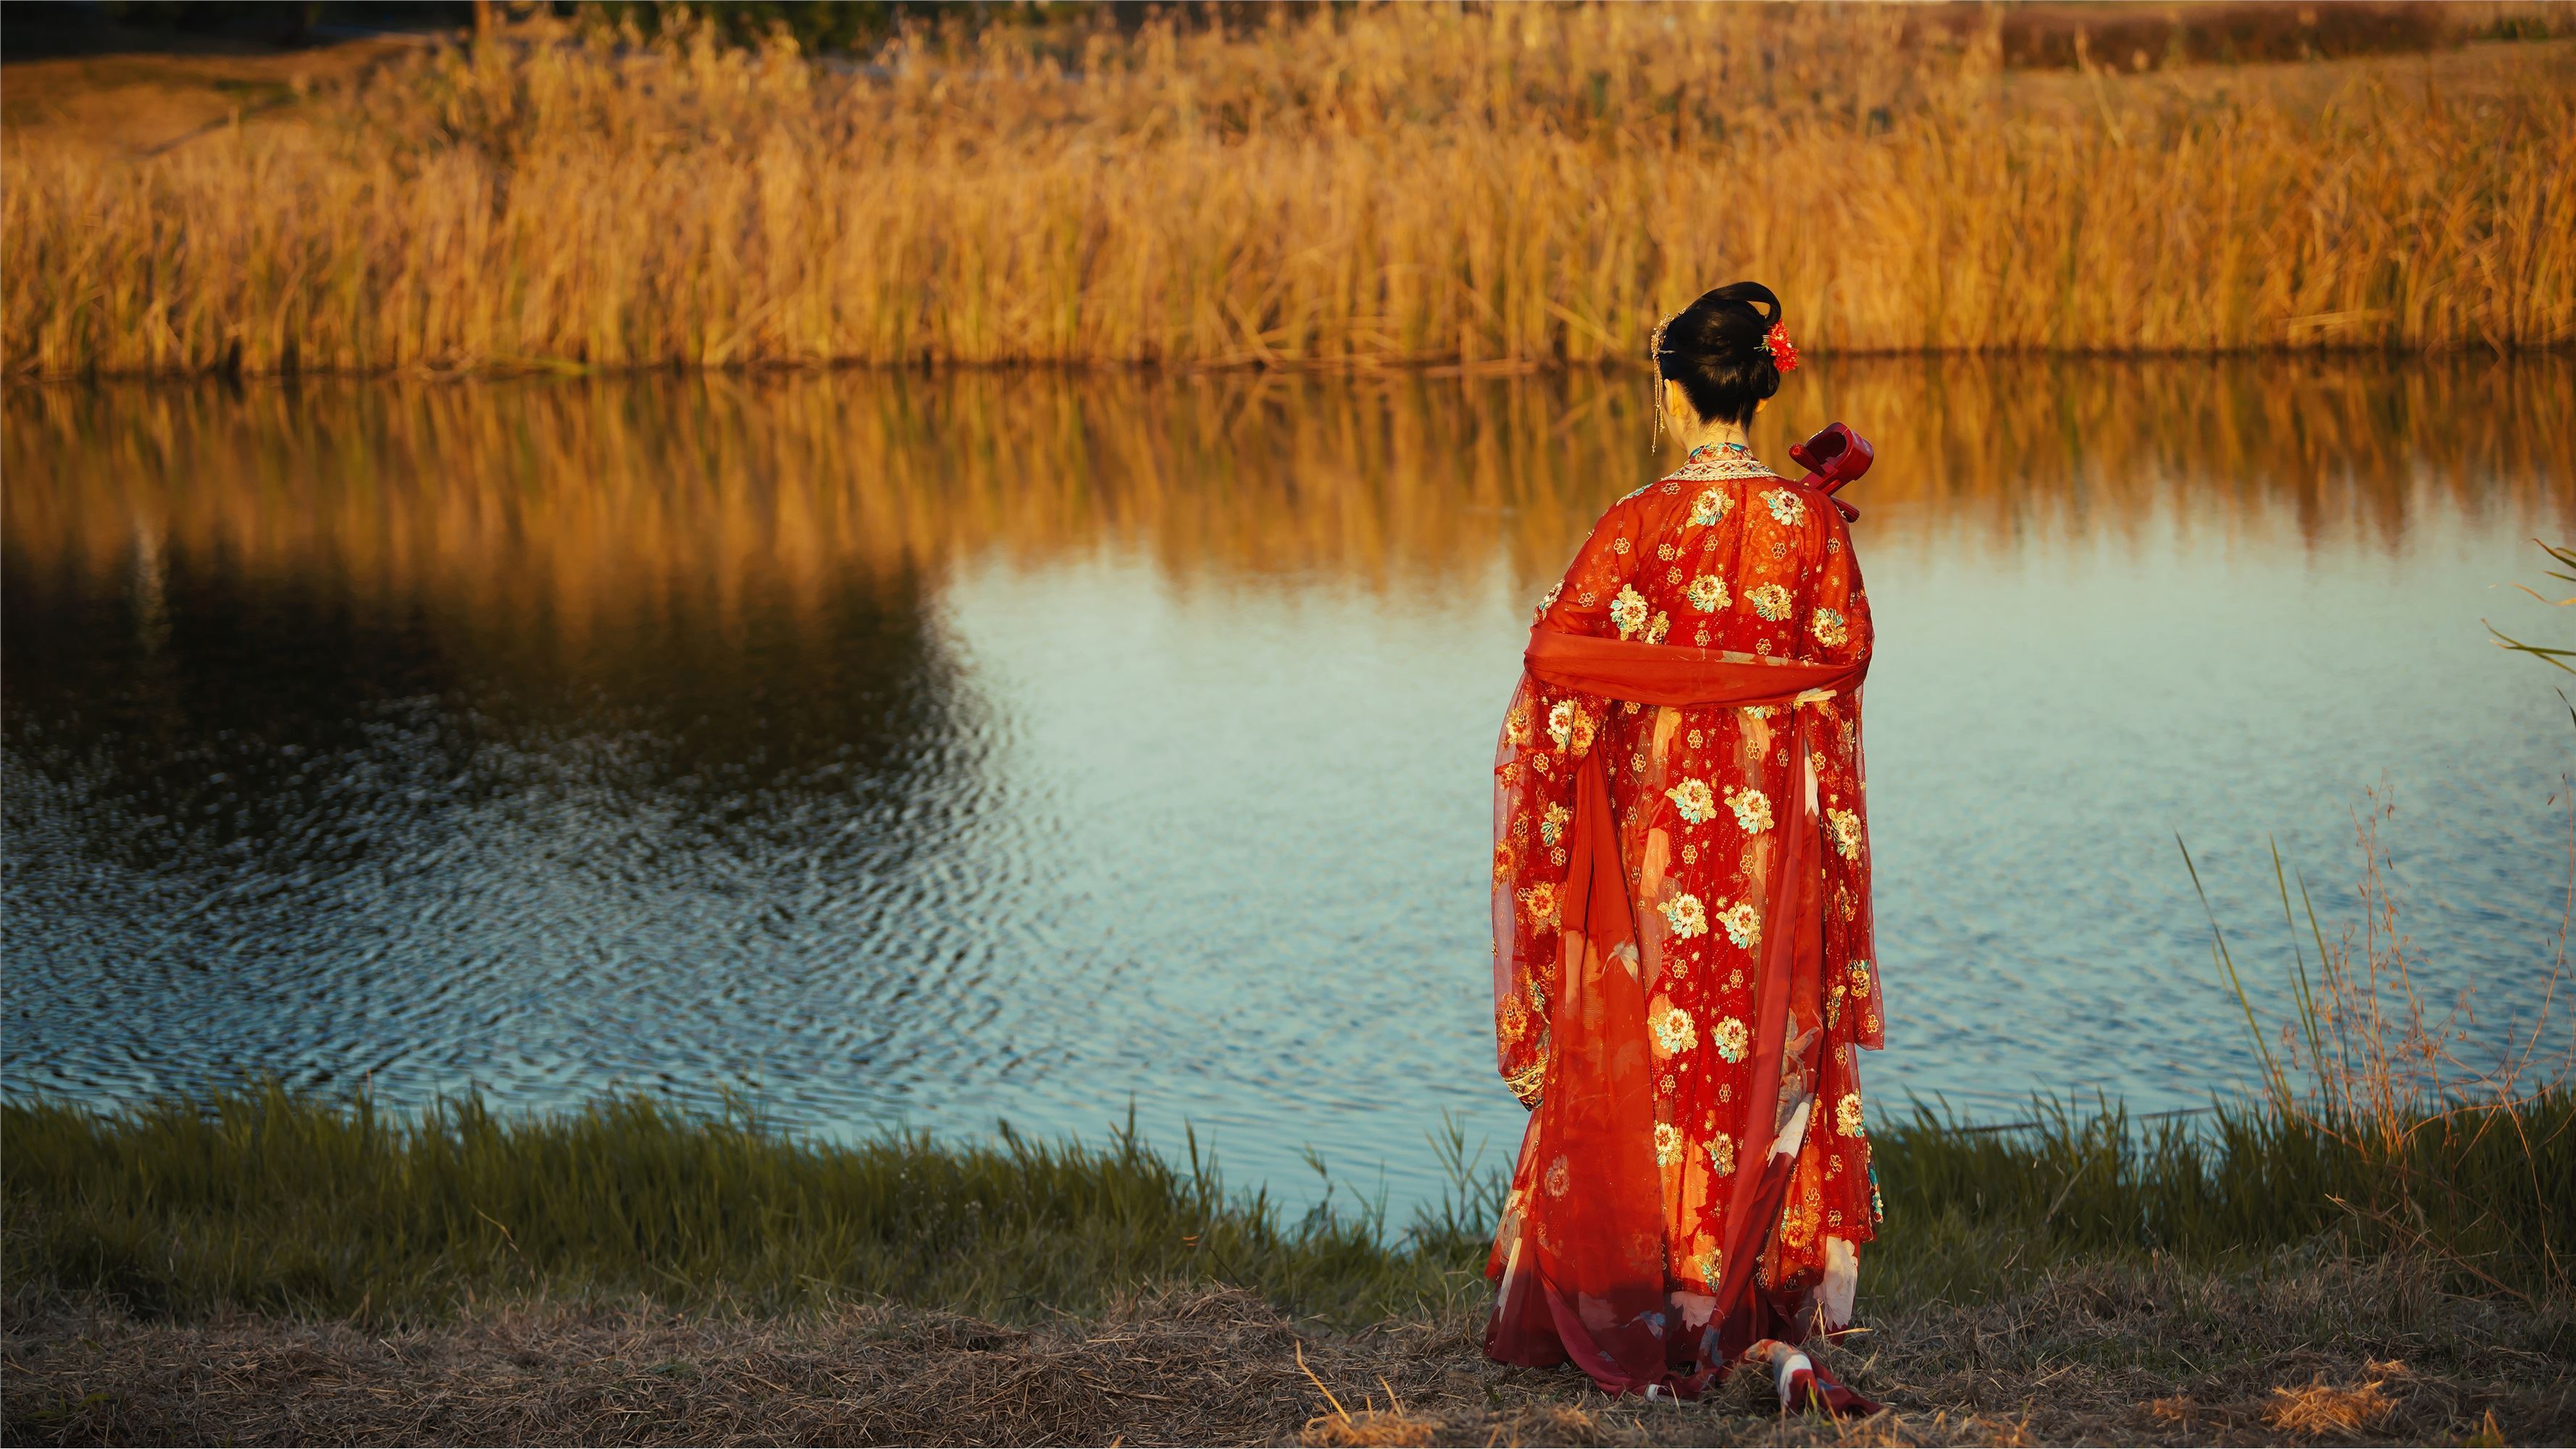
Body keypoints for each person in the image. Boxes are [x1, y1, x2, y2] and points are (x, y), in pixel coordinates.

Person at [1483, 282, 1883, 1409]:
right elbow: (1838, 674)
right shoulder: (1812, 525)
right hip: (1775, 851)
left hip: (1659, 839)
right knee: (1761, 1044)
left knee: (1660, 1049)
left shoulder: (1636, 523)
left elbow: (1558, 666)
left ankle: (1662, 1303)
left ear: (1670, 391)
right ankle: (1752, 1312)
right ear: (1761, 385)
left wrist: (1588, 778)